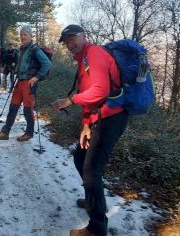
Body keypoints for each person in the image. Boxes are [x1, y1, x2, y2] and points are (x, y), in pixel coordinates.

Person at [51, 24, 128, 236]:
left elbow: (100, 91)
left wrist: (69, 100)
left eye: (72, 38)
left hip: (112, 118)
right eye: (66, 41)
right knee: (80, 159)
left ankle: (96, 229)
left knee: (92, 170)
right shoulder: (83, 59)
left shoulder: (94, 54)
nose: (69, 44)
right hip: (98, 117)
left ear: (84, 35)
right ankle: (92, 200)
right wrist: (86, 124)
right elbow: (90, 98)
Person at [0, 25, 51, 141]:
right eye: (21, 35)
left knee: (27, 109)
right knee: (13, 107)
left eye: (25, 35)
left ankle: (29, 133)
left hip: (29, 83)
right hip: (20, 82)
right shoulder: (22, 49)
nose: (23, 37)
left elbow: (47, 63)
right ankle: (5, 132)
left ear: (30, 36)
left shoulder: (35, 49)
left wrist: (37, 77)